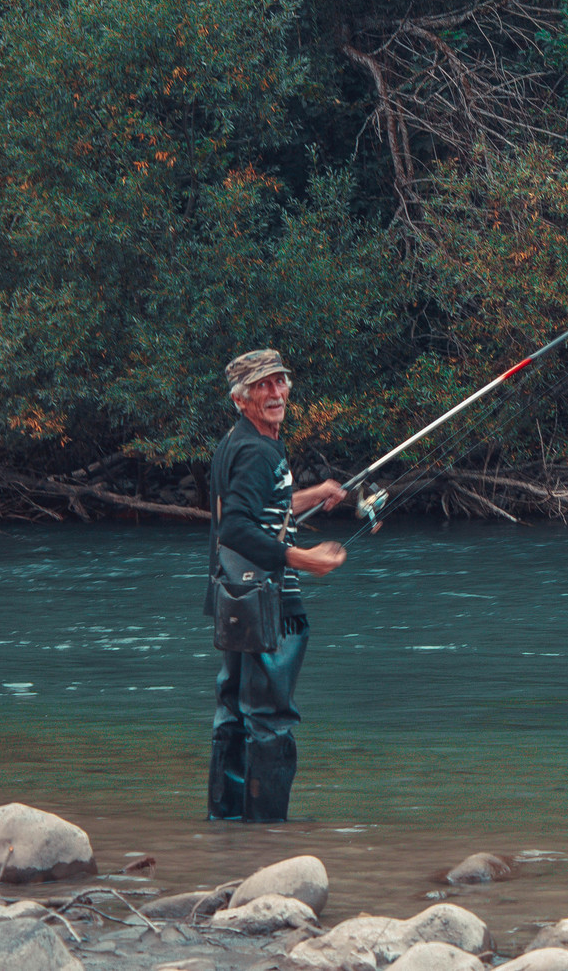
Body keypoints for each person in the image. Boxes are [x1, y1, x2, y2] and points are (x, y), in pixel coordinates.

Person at [206, 348, 347, 822]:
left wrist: (316, 492)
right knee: (270, 719)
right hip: (268, 606)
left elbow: (261, 502)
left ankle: (226, 827)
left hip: (234, 600)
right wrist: (300, 558)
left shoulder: (237, 443)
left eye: (279, 382)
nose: (276, 393)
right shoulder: (257, 450)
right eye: (262, 386)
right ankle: (268, 834)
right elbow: (236, 528)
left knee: (233, 712)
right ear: (241, 399)